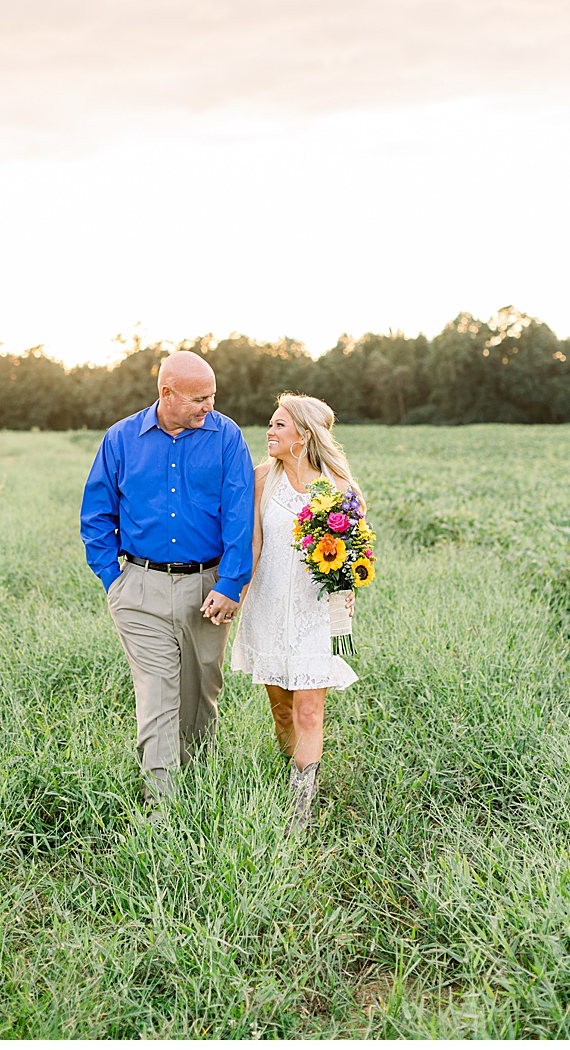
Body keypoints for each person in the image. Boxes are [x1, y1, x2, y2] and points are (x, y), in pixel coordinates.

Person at [79, 351, 255, 806]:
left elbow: (240, 515)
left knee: (200, 700)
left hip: (208, 589)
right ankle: (163, 811)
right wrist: (111, 579)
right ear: (166, 394)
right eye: (199, 398)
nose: (208, 407)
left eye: (212, 396)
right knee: (158, 697)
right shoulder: (120, 440)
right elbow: (96, 515)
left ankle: (198, 792)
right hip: (140, 587)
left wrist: (231, 583)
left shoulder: (227, 437)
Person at [228, 393, 361, 836]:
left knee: (308, 710)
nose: (269, 431)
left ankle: (300, 810)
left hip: (315, 612)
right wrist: (235, 599)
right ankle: (291, 769)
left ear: (303, 436)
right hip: (267, 605)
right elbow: (254, 546)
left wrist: (347, 589)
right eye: (270, 424)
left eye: (279, 425)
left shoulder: (340, 488)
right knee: (282, 709)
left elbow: (355, 555)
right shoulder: (262, 478)